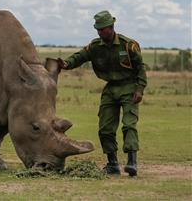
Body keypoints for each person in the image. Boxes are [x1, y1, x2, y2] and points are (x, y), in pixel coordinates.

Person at [58, 10, 147, 177]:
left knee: (129, 125)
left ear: (111, 27)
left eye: (102, 29)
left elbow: (141, 68)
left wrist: (140, 89)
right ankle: (112, 164)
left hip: (129, 87)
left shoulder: (128, 45)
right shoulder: (95, 46)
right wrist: (66, 63)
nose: (99, 32)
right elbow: (79, 57)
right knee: (105, 128)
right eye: (97, 29)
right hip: (110, 89)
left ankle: (132, 162)